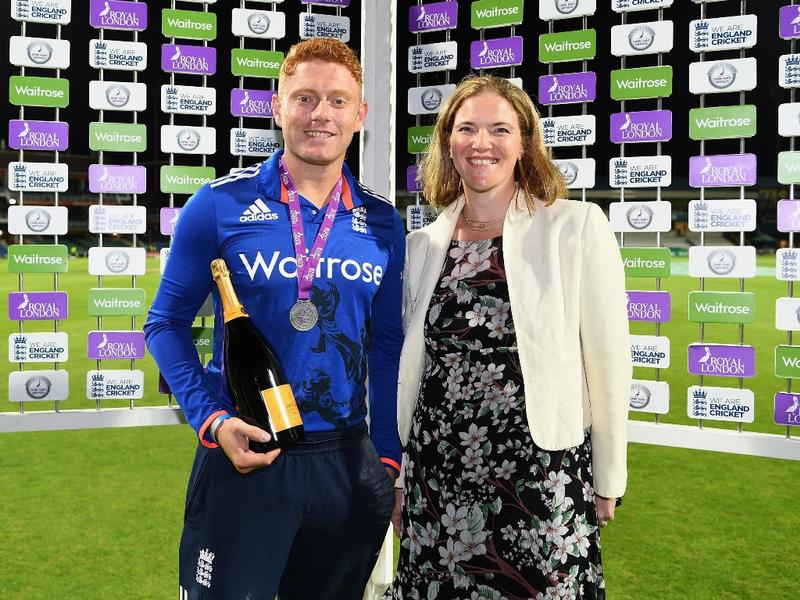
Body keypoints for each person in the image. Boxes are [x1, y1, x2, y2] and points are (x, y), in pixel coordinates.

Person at [145, 38, 403, 599]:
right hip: (249, 453)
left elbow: (387, 346)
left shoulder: (384, 222)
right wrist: (212, 419)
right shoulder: (218, 204)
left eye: (338, 101)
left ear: (359, 116)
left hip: (346, 462)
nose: (320, 114)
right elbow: (164, 325)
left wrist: (386, 452)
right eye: (305, 97)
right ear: (278, 106)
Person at [385, 75, 631, 600]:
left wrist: (609, 474)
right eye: (467, 129)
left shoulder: (577, 226)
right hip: (439, 473)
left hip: (539, 475)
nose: (482, 143)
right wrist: (403, 475)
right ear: (447, 142)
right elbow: (413, 368)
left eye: (500, 129)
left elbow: (608, 361)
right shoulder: (421, 245)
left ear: (524, 143)